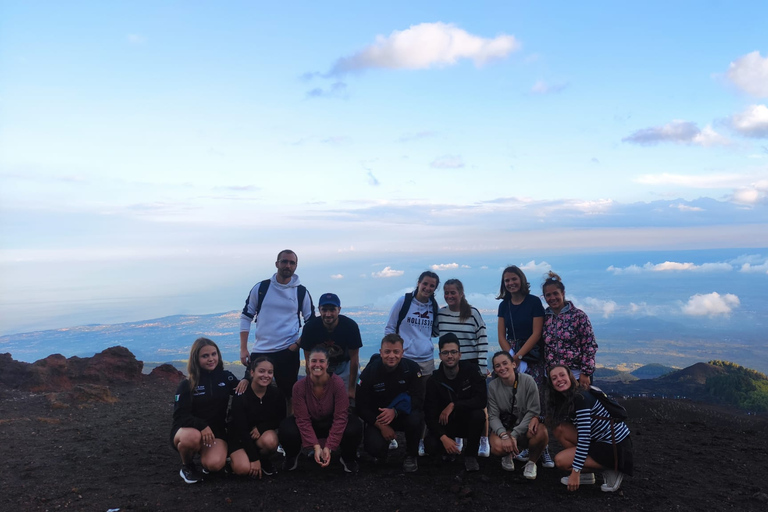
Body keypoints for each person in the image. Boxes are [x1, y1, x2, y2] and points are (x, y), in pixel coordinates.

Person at [239, 249, 314, 410]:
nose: (288, 265)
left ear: (296, 266)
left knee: (290, 394)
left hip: (287, 351)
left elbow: (311, 323)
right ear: (277, 264)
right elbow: (246, 316)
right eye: (284, 261)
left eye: (292, 262)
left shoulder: (301, 292)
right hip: (261, 350)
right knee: (254, 392)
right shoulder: (261, 288)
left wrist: (297, 345)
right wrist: (243, 348)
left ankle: (289, 429)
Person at [496, 265, 552, 466]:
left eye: (514, 279)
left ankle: (541, 446)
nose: (511, 283)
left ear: (521, 279)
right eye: (507, 280)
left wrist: (518, 355)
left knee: (536, 400)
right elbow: (502, 335)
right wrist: (510, 357)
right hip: (512, 355)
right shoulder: (504, 305)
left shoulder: (534, 302)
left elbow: (537, 333)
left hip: (532, 356)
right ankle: (517, 443)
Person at [547, 365, 633, 492]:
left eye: (562, 375)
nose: (559, 380)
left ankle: (611, 469)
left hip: (614, 447)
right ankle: (586, 475)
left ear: (570, 376)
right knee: (559, 428)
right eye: (554, 378)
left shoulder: (580, 398)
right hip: (600, 440)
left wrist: (575, 472)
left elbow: (584, 437)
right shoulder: (569, 397)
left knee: (560, 461)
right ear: (551, 384)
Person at [278, 347, 363, 473]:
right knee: (287, 428)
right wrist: (316, 446)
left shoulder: (337, 384)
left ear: (327, 364)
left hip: (331, 422)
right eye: (313, 361)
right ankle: (292, 456)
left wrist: (329, 447)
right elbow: (302, 419)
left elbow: (340, 417)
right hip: (311, 422)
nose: (317, 365)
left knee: (354, 426)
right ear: (308, 363)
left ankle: (347, 458)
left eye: (321, 361)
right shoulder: (299, 387)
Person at [170, 337, 239, 484]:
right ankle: (187, 466)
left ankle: (208, 456)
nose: (211, 359)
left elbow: (243, 392)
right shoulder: (187, 384)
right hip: (189, 431)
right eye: (205, 356)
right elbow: (179, 416)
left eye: (214, 354)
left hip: (216, 432)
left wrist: (246, 379)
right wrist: (201, 426)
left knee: (214, 465)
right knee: (192, 437)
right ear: (196, 358)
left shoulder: (226, 377)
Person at [438, 278, 491, 457]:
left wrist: (482, 366)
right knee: (451, 399)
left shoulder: (473, 313)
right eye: (446, 292)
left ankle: (483, 439)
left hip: (472, 364)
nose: (449, 296)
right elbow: (434, 333)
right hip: (450, 364)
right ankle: (459, 436)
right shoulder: (441, 314)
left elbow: (482, 339)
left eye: (453, 292)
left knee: (479, 404)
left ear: (461, 293)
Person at [356, 334, 425, 472]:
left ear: (402, 353)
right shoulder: (369, 373)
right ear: (381, 353)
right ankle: (381, 453)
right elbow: (361, 407)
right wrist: (381, 426)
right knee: (373, 447)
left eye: (396, 351)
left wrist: (396, 411)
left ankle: (411, 455)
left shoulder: (412, 369)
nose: (391, 356)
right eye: (387, 351)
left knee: (416, 418)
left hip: (403, 415)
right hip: (379, 418)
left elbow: (418, 399)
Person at [423, 333, 487, 472]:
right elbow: (429, 415)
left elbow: (481, 400)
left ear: (460, 354)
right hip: (445, 424)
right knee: (431, 446)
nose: (450, 356)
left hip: (466, 420)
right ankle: (447, 449)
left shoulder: (471, 372)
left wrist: (454, 405)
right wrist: (443, 437)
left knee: (479, 415)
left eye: (453, 352)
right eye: (445, 353)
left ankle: (470, 455)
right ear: (440, 356)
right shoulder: (434, 381)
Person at [486, 351, 549, 480]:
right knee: (497, 447)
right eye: (497, 366)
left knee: (541, 432)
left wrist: (514, 435)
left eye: (505, 363)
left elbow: (533, 411)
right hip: (505, 428)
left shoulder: (528, 381)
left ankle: (532, 462)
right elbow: (493, 416)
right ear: (495, 370)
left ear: (514, 364)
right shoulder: (493, 387)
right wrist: (504, 435)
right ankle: (507, 455)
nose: (502, 368)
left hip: (524, 428)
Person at [228, 357, 286, 478]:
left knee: (270, 441)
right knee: (243, 469)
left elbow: (280, 418)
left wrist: (262, 428)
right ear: (252, 372)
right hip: (239, 438)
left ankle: (263, 460)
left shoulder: (276, 394)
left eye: (270, 372)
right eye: (261, 371)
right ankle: (233, 461)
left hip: (259, 436)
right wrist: (254, 459)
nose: (266, 375)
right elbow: (241, 429)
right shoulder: (241, 395)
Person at [299, 293, 362, 400]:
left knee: (344, 398)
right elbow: (308, 359)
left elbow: (354, 359)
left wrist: (351, 389)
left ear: (339, 310)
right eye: (324, 310)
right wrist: (312, 384)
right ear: (319, 309)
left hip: (343, 365)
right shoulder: (310, 328)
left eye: (332, 310)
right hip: (320, 365)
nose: (328, 314)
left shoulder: (350, 326)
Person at [542, 272, 598, 389]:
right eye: (548, 295)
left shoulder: (578, 316)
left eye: (555, 293)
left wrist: (586, 372)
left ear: (563, 293)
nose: (552, 298)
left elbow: (589, 345)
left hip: (577, 375)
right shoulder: (545, 318)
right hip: (553, 377)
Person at [384, 271, 440, 378]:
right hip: (405, 358)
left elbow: (436, 330)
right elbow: (390, 327)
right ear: (418, 283)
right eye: (425, 283)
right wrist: (394, 352)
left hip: (426, 360)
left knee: (425, 393)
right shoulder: (404, 302)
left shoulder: (434, 306)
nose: (427, 288)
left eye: (432, 286)